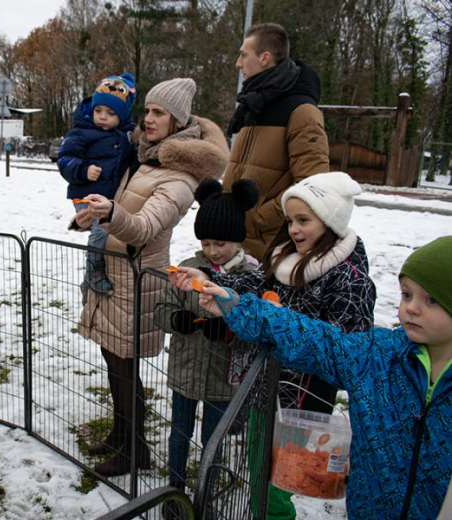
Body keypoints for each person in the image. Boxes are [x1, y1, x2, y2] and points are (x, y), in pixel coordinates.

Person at [177, 236, 452, 520]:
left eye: (431, 300)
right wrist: (236, 307)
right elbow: (316, 341)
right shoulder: (379, 355)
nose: (412, 308)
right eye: (407, 295)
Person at [173, 171, 376, 519]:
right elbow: (252, 282)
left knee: (277, 487)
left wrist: (280, 320)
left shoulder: (349, 279)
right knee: (258, 474)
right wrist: (211, 279)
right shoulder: (285, 258)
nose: (294, 229)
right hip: (262, 389)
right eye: (290, 220)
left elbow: (346, 348)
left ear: (330, 220)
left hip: (302, 403)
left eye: (304, 220)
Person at [71, 77, 229, 477]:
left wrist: (110, 213)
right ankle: (123, 436)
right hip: (116, 276)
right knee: (113, 360)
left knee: (125, 366)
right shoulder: (148, 158)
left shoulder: (180, 178)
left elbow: (142, 228)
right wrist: (89, 216)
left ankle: (134, 450)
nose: (149, 118)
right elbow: (119, 205)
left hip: (137, 282)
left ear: (177, 120)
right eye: (148, 111)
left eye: (159, 112)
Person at [153, 177, 259, 519]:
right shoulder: (188, 267)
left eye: (221, 243)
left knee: (212, 441)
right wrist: (175, 320)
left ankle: (205, 497)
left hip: (222, 377)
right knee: (179, 434)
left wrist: (230, 330)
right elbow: (161, 309)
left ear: (237, 240)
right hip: (186, 369)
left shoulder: (250, 276)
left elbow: (258, 325)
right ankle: (175, 492)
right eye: (207, 242)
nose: (213, 251)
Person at [223, 22, 330, 259]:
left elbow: (312, 186)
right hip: (238, 242)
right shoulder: (254, 106)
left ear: (265, 57)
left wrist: (261, 217)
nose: (237, 63)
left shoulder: (301, 111)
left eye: (243, 55)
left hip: (271, 248)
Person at [58, 73, 137, 295]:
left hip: (109, 196)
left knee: (112, 233)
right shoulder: (81, 132)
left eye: (111, 113)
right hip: (86, 194)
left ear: (122, 116)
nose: (103, 117)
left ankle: (90, 285)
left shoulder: (125, 135)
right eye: (98, 111)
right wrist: (83, 170)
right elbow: (65, 159)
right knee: (101, 231)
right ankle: (93, 272)